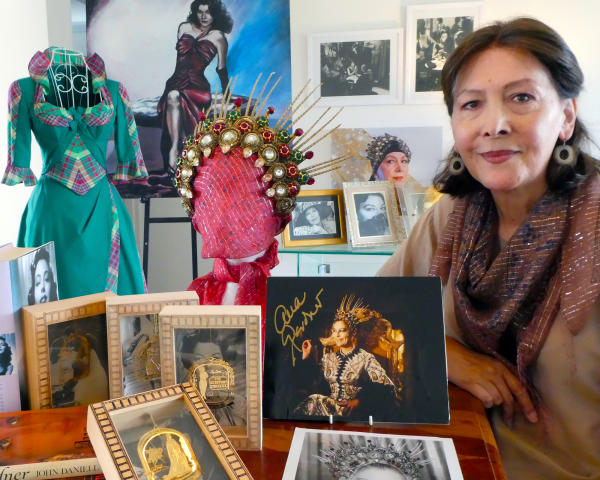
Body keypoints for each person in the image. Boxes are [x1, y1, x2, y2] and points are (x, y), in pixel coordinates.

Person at [378, 18, 600, 479]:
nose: (494, 124)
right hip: (450, 459)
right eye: (471, 104)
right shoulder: (452, 217)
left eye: (522, 98)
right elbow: (361, 310)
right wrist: (440, 353)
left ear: (566, 116)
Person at [158, 0, 233, 176]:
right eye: (200, 12)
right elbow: (182, 60)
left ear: (215, 14)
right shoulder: (183, 28)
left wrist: (227, 95)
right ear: (195, 12)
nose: (204, 16)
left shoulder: (218, 37)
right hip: (175, 82)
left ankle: (175, 151)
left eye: (208, 12)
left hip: (197, 87)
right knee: (173, 94)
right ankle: (175, 148)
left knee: (174, 96)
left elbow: (221, 69)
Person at [294, 297, 396, 418]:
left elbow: (388, 389)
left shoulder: (366, 358)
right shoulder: (328, 358)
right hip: (328, 410)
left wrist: (359, 402)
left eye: (341, 331)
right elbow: (312, 383)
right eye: (334, 331)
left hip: (354, 413)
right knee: (314, 400)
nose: (336, 335)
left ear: (353, 333)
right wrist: (306, 357)